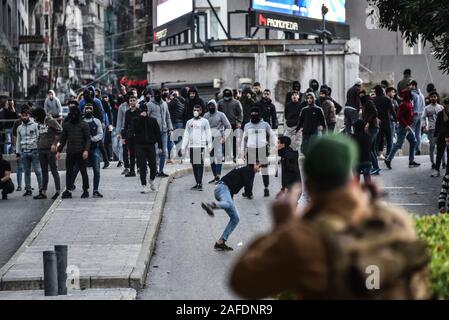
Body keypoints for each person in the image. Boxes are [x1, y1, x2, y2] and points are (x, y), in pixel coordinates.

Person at [230, 134, 429, 300]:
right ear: (352, 179)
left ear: (309, 187)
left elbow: (242, 281)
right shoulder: (393, 219)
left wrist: (282, 227)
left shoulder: (303, 238)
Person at [201, 163, 261, 251]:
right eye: (259, 166)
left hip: (224, 191)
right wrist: (248, 193)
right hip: (223, 188)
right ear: (255, 164)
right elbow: (248, 188)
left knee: (235, 218)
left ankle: (221, 242)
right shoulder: (249, 171)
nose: (260, 169)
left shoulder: (246, 169)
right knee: (229, 204)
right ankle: (211, 205)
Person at [57, 101, 91, 199]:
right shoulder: (67, 125)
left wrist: (86, 150)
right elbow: (63, 139)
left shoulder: (84, 124)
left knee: (83, 171)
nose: (73, 115)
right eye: (72, 113)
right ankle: (68, 190)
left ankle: (85, 190)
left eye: (75, 113)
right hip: (71, 152)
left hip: (81, 151)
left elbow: (88, 139)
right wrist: (59, 151)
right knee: (69, 172)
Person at [241, 107, 277, 198]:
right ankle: (248, 192)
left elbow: (272, 135)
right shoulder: (247, 125)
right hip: (251, 150)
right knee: (250, 171)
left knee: (264, 170)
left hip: (262, 149)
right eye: (252, 113)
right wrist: (242, 151)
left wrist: (277, 145)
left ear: (259, 114)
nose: (254, 115)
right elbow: (244, 140)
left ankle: (266, 188)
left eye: (255, 113)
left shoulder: (265, 124)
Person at [385, 90, 420, 170]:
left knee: (413, 141)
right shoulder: (404, 104)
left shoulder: (408, 103)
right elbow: (399, 116)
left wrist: (414, 114)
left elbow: (407, 114)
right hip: (404, 127)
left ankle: (411, 161)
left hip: (407, 127)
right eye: (410, 94)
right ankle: (388, 159)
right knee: (398, 144)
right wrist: (406, 125)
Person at [181, 105, 213, 191]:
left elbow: (208, 133)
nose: (196, 112)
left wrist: (209, 144)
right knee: (194, 165)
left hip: (200, 146)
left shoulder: (205, 121)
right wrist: (183, 146)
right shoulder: (189, 122)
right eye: (194, 110)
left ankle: (200, 183)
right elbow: (186, 135)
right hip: (192, 146)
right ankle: (197, 183)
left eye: (197, 110)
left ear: (201, 111)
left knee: (199, 164)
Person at [33, 108, 62, 200]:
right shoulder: (39, 123)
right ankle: (44, 192)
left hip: (50, 150)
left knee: (54, 171)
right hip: (41, 150)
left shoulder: (51, 121)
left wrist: (54, 144)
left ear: (40, 116)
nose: (35, 120)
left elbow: (61, 131)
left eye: (36, 118)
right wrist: (38, 144)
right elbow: (39, 135)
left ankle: (58, 191)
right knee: (44, 172)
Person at [133, 104, 162, 194]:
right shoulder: (136, 120)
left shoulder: (153, 121)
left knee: (153, 165)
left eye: (145, 110)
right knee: (142, 166)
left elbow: (158, 134)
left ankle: (151, 181)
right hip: (139, 145)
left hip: (150, 145)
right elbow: (134, 130)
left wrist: (160, 146)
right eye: (142, 110)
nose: (144, 112)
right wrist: (141, 118)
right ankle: (144, 185)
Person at [16, 108, 43, 198]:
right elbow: (18, 141)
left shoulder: (35, 125)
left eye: (26, 115)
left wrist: (39, 150)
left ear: (29, 115)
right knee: (26, 172)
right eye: (22, 115)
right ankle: (28, 189)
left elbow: (39, 137)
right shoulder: (19, 128)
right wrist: (18, 153)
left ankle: (41, 190)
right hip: (24, 152)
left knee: (38, 171)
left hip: (34, 151)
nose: (24, 117)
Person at [204, 99, 232, 184]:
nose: (211, 107)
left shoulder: (221, 115)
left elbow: (228, 126)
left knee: (219, 156)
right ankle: (215, 176)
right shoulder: (206, 115)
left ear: (216, 106)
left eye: (212, 105)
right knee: (212, 157)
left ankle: (218, 175)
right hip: (209, 139)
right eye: (209, 106)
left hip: (219, 138)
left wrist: (225, 137)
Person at [147, 89, 173, 177]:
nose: (158, 96)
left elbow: (168, 117)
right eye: (156, 94)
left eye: (159, 94)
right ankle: (154, 170)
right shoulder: (149, 104)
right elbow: (146, 118)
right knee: (155, 152)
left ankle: (161, 170)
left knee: (164, 152)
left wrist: (170, 128)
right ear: (154, 95)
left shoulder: (165, 104)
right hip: (153, 132)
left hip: (164, 131)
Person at [81, 104, 104, 198]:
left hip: (94, 148)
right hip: (82, 150)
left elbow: (100, 134)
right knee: (79, 170)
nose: (88, 110)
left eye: (90, 109)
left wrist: (92, 139)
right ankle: (83, 189)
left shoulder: (97, 121)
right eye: (87, 109)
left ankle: (95, 190)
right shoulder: (81, 121)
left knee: (97, 171)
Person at [218, 88, 243, 163]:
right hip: (224, 124)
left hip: (233, 123)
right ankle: (225, 156)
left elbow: (240, 113)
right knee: (224, 140)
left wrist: (239, 122)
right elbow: (217, 112)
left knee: (234, 141)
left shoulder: (236, 102)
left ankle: (234, 156)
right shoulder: (220, 102)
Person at [422, 92, 444, 177]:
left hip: (440, 130)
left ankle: (444, 162)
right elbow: (423, 118)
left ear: (437, 97)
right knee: (432, 146)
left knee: (441, 147)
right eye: (431, 97)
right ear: (429, 98)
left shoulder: (441, 107)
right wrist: (424, 126)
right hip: (431, 130)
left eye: (434, 97)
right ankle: (433, 162)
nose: (433, 98)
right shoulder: (427, 108)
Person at [374, 85, 396, 159]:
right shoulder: (387, 99)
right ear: (382, 91)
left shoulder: (374, 100)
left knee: (379, 138)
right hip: (386, 121)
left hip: (378, 122)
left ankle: (376, 153)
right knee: (389, 138)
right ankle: (388, 154)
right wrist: (397, 120)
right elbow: (392, 111)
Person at [122, 95, 141, 177]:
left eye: (134, 100)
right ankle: (132, 171)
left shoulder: (139, 111)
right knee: (132, 154)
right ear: (129, 102)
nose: (132, 102)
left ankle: (141, 168)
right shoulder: (127, 112)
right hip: (130, 135)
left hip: (138, 135)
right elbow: (125, 125)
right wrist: (124, 137)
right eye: (131, 100)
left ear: (136, 101)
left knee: (139, 153)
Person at [362, 100, 381, 175]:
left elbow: (375, 112)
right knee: (372, 149)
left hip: (372, 128)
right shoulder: (366, 103)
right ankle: (375, 168)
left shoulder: (368, 102)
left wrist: (368, 123)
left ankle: (375, 167)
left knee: (368, 148)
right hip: (373, 127)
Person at [167, 90, 185, 162]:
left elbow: (167, 107)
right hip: (181, 123)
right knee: (178, 139)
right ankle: (180, 154)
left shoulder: (175, 101)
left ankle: (178, 154)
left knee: (174, 139)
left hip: (174, 122)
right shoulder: (182, 101)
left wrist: (169, 101)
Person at [433, 97, 449, 178]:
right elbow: (437, 126)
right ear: (444, 105)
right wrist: (435, 136)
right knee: (439, 154)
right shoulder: (440, 114)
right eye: (446, 104)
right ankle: (437, 170)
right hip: (441, 137)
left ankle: (447, 173)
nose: (447, 106)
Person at [116, 93, 132, 175]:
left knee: (135, 149)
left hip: (134, 130)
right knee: (124, 149)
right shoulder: (122, 107)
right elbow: (119, 120)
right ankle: (126, 167)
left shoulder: (137, 106)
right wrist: (118, 133)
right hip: (124, 130)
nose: (131, 100)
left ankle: (139, 167)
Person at [410, 80, 426, 155]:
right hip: (421, 115)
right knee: (418, 133)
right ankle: (418, 149)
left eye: (410, 85)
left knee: (411, 132)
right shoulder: (422, 95)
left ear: (414, 85)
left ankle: (413, 150)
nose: (409, 86)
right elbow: (424, 106)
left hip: (415, 115)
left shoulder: (412, 94)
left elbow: (411, 105)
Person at [438, 136, 449, 213]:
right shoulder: (447, 177)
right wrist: (441, 205)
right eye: (446, 141)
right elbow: (443, 191)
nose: (447, 143)